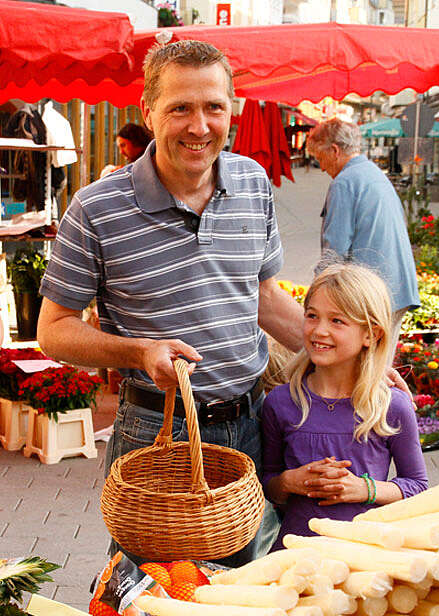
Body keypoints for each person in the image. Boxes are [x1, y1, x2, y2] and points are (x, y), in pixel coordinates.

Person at [37, 39, 304, 565]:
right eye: (180, 107)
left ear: (233, 109)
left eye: (213, 107)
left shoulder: (252, 182)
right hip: (157, 432)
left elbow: (264, 297)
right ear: (148, 112)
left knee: (243, 591)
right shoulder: (96, 207)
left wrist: (357, 358)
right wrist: (138, 352)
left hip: (250, 424)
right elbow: (54, 328)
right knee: (151, 589)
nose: (199, 126)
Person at [261, 263, 428, 551]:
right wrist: (289, 481)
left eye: (337, 321)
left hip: (366, 558)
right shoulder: (281, 403)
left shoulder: (391, 407)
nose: (319, 330)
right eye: (312, 316)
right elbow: (268, 484)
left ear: (371, 335)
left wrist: (365, 489)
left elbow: (418, 486)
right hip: (295, 555)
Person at [306, 119, 420, 363]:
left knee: (363, 374)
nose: (322, 167)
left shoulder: (345, 182)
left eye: (319, 157)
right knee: (378, 368)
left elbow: (334, 252)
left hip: (371, 295)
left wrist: (315, 301)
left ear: (334, 150)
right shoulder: (371, 173)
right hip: (394, 289)